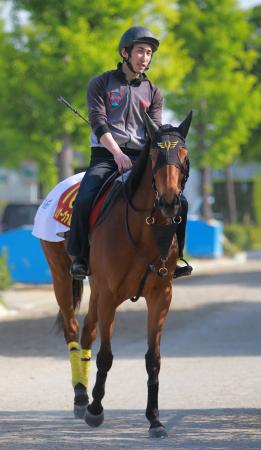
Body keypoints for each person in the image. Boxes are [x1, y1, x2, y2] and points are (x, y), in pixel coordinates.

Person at [67, 26, 192, 280]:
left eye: (148, 53)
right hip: (105, 156)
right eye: (140, 51)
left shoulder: (154, 92)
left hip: (140, 158)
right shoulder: (101, 83)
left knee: (181, 202)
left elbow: (153, 131)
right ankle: (80, 257)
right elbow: (99, 121)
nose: (145, 57)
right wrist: (116, 153)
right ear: (125, 52)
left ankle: (175, 257)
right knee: (83, 199)